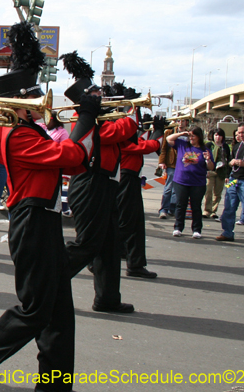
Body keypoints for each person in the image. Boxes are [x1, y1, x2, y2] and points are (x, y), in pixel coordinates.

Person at [0, 22, 99, 392]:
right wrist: (86, 117)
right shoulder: (17, 135)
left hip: (43, 222)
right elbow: (71, 155)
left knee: (60, 317)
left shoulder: (28, 130)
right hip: (31, 223)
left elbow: (76, 159)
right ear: (18, 104)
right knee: (36, 310)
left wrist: (87, 116)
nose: (39, 105)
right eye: (32, 99)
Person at [60, 53, 137, 314]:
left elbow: (127, 142)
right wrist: (131, 113)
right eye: (96, 95)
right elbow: (121, 132)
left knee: (109, 245)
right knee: (88, 244)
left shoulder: (100, 117)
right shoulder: (85, 121)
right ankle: (48, 280)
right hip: (90, 184)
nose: (101, 97)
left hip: (104, 185)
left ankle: (107, 298)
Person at [117, 113, 165, 279]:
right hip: (126, 178)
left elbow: (140, 140)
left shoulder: (124, 134)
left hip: (129, 178)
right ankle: (132, 262)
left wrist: (144, 126)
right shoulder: (120, 137)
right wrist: (158, 130)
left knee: (132, 222)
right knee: (129, 222)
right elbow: (148, 146)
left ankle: (131, 259)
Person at [167, 126, 214, 239]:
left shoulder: (205, 150)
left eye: (194, 136)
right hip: (181, 181)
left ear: (199, 137)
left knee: (196, 206)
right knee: (180, 205)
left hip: (197, 182)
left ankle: (197, 229)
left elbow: (211, 167)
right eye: (190, 136)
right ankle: (178, 228)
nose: (191, 138)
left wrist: (208, 159)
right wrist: (181, 133)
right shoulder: (182, 145)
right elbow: (169, 139)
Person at [158, 118, 188, 219]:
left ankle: (173, 208)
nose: (181, 123)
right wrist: (162, 162)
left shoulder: (188, 134)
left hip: (183, 165)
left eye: (183, 121)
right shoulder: (169, 132)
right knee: (168, 188)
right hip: (171, 163)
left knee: (177, 189)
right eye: (178, 121)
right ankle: (164, 209)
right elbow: (164, 148)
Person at [204, 128, 231, 219]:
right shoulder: (209, 145)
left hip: (221, 172)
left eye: (219, 135)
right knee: (208, 191)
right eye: (216, 135)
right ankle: (207, 210)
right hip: (210, 171)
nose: (218, 137)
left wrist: (227, 175)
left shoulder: (225, 146)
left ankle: (213, 211)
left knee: (217, 193)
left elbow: (228, 161)